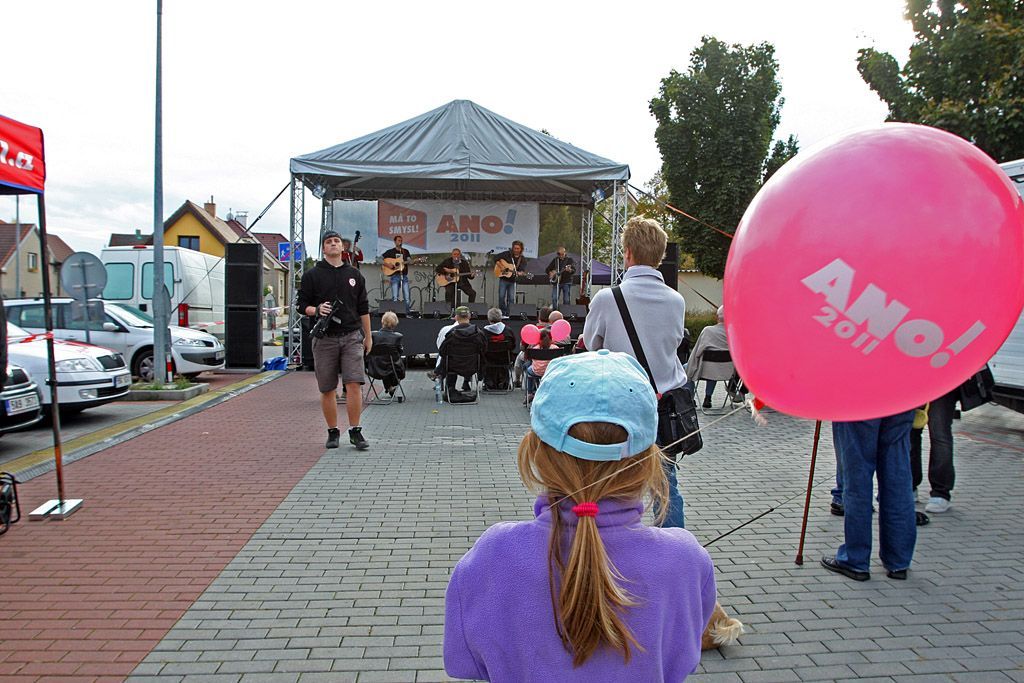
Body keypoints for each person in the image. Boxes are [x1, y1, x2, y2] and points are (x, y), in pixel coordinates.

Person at [444, 350, 716, 680]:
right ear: (649, 460)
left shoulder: (495, 553)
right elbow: (682, 660)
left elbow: (464, 661)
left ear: (535, 451)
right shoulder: (685, 559)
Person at [583, 216, 689, 529]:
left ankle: (616, 546)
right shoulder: (676, 300)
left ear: (627, 253)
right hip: (664, 406)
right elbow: (673, 343)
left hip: (619, 406)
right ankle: (674, 551)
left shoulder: (607, 299)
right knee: (666, 486)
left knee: (612, 484)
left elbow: (591, 346)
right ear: (660, 255)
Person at [296, 230, 371, 450]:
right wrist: (316, 309)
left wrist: (368, 336)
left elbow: (363, 308)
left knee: (354, 383)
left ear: (343, 247)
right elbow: (301, 306)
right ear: (323, 248)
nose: (333, 244)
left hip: (351, 336)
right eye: (328, 242)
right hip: (325, 337)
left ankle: (355, 431)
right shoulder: (312, 275)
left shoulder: (355, 275)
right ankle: (333, 431)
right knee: (327, 387)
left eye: (337, 241)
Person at [822, 410, 917, 581]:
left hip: (858, 399)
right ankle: (898, 559)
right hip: (903, 396)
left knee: (857, 479)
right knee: (897, 476)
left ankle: (856, 559)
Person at [909, 389, 958, 513]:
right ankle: (909, 485)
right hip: (914, 383)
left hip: (943, 384)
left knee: (939, 435)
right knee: (910, 435)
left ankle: (941, 493)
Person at [687, 306, 729, 409]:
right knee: (714, 368)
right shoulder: (733, 331)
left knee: (686, 368)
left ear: (717, 317)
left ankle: (690, 400)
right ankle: (707, 397)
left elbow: (697, 352)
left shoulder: (708, 331)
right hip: (729, 372)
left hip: (708, 370)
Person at [438, 306, 486, 395]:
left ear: (456, 317)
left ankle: (450, 388)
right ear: (469, 316)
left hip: (453, 366)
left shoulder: (451, 334)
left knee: (448, 359)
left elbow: (442, 351)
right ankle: (466, 382)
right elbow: (484, 349)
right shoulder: (479, 333)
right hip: (473, 366)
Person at [368, 311, 405, 396]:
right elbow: (400, 352)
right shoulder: (397, 336)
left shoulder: (373, 335)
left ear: (382, 321)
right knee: (392, 365)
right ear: (395, 324)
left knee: (384, 363)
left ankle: (389, 386)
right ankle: (391, 386)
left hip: (374, 367)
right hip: (391, 367)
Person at [514, 307, 553, 387]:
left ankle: (517, 380)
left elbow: (523, 347)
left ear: (539, 317)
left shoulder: (532, 330)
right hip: (551, 362)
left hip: (533, 361)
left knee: (519, 358)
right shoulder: (555, 331)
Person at [483, 307, 517, 391]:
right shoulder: (508, 331)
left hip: (489, 360)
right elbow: (513, 346)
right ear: (501, 317)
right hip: (505, 360)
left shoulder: (484, 332)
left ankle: (489, 382)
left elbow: (481, 347)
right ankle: (503, 382)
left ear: (488, 318)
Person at [495, 240, 529, 316]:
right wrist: (501, 267)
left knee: (511, 298)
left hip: (512, 281)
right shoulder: (507, 254)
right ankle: (503, 313)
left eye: (518, 248)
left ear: (521, 249)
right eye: (515, 248)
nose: (516, 250)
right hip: (503, 279)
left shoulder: (522, 259)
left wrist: (520, 273)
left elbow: (522, 271)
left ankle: (509, 313)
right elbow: (495, 258)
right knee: (501, 297)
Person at [381, 235, 413, 312]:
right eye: (398, 240)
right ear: (395, 242)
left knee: (407, 296)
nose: (400, 242)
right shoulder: (390, 252)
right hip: (394, 276)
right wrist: (387, 264)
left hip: (404, 276)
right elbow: (378, 259)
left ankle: (406, 313)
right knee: (395, 297)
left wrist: (413, 261)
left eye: (401, 240)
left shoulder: (405, 251)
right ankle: (395, 313)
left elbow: (409, 260)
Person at [546, 246, 575, 310]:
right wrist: (551, 273)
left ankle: (566, 313)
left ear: (565, 253)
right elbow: (547, 269)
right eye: (559, 254)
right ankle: (555, 312)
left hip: (566, 282)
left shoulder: (570, 260)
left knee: (566, 300)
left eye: (562, 254)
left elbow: (573, 270)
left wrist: (569, 270)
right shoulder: (556, 260)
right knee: (554, 298)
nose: (561, 255)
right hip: (556, 282)